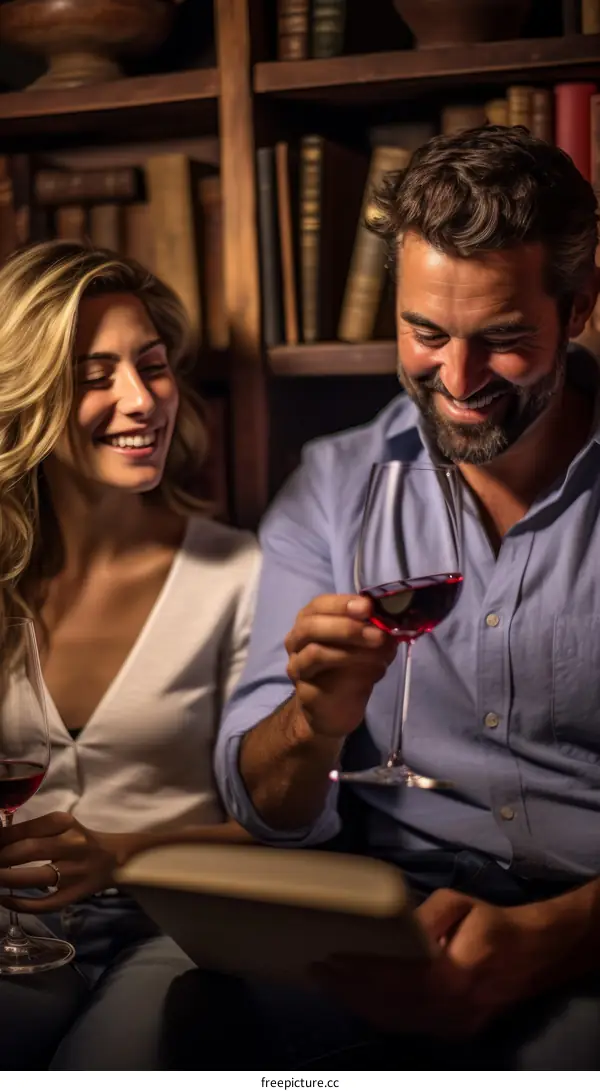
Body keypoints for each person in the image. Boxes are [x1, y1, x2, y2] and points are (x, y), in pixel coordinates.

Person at [214, 126, 600, 1069]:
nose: (457, 383)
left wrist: (554, 938)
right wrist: (312, 720)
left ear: (580, 307)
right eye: (426, 333)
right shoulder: (333, 486)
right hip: (386, 926)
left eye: (503, 340)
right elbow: (265, 806)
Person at [0, 241, 260, 1069]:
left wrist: (122, 852)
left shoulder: (242, 572)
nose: (142, 399)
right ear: (29, 394)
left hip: (176, 929)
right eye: (95, 374)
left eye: (152, 366)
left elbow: (292, 829)